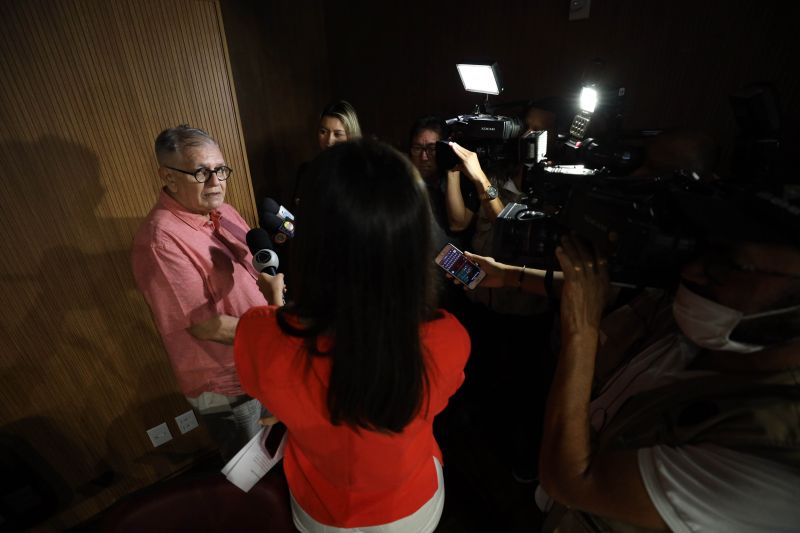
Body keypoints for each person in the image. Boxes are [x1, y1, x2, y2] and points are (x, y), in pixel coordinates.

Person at [467, 213, 800, 531]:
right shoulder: (706, 317)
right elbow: (594, 285)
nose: (693, 271)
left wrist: (582, 330)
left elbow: (571, 481)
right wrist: (509, 275)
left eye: (729, 266)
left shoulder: (772, 460)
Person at [234, 139, 470, 532]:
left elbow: (272, 374)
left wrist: (276, 305)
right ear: (413, 242)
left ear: (310, 241)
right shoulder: (449, 339)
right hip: (411, 506)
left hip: (319, 510)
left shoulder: (260, 332)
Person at [132, 125, 284, 461]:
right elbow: (207, 326)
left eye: (220, 170)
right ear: (168, 177)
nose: (216, 182)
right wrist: (283, 329)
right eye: (201, 172)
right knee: (255, 468)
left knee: (282, 453)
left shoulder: (224, 211)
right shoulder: (160, 241)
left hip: (266, 363)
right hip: (230, 385)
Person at [408, 116, 480, 252]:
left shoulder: (464, 179)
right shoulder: (405, 183)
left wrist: (451, 166)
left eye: (432, 149)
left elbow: (457, 224)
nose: (424, 157)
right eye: (417, 148)